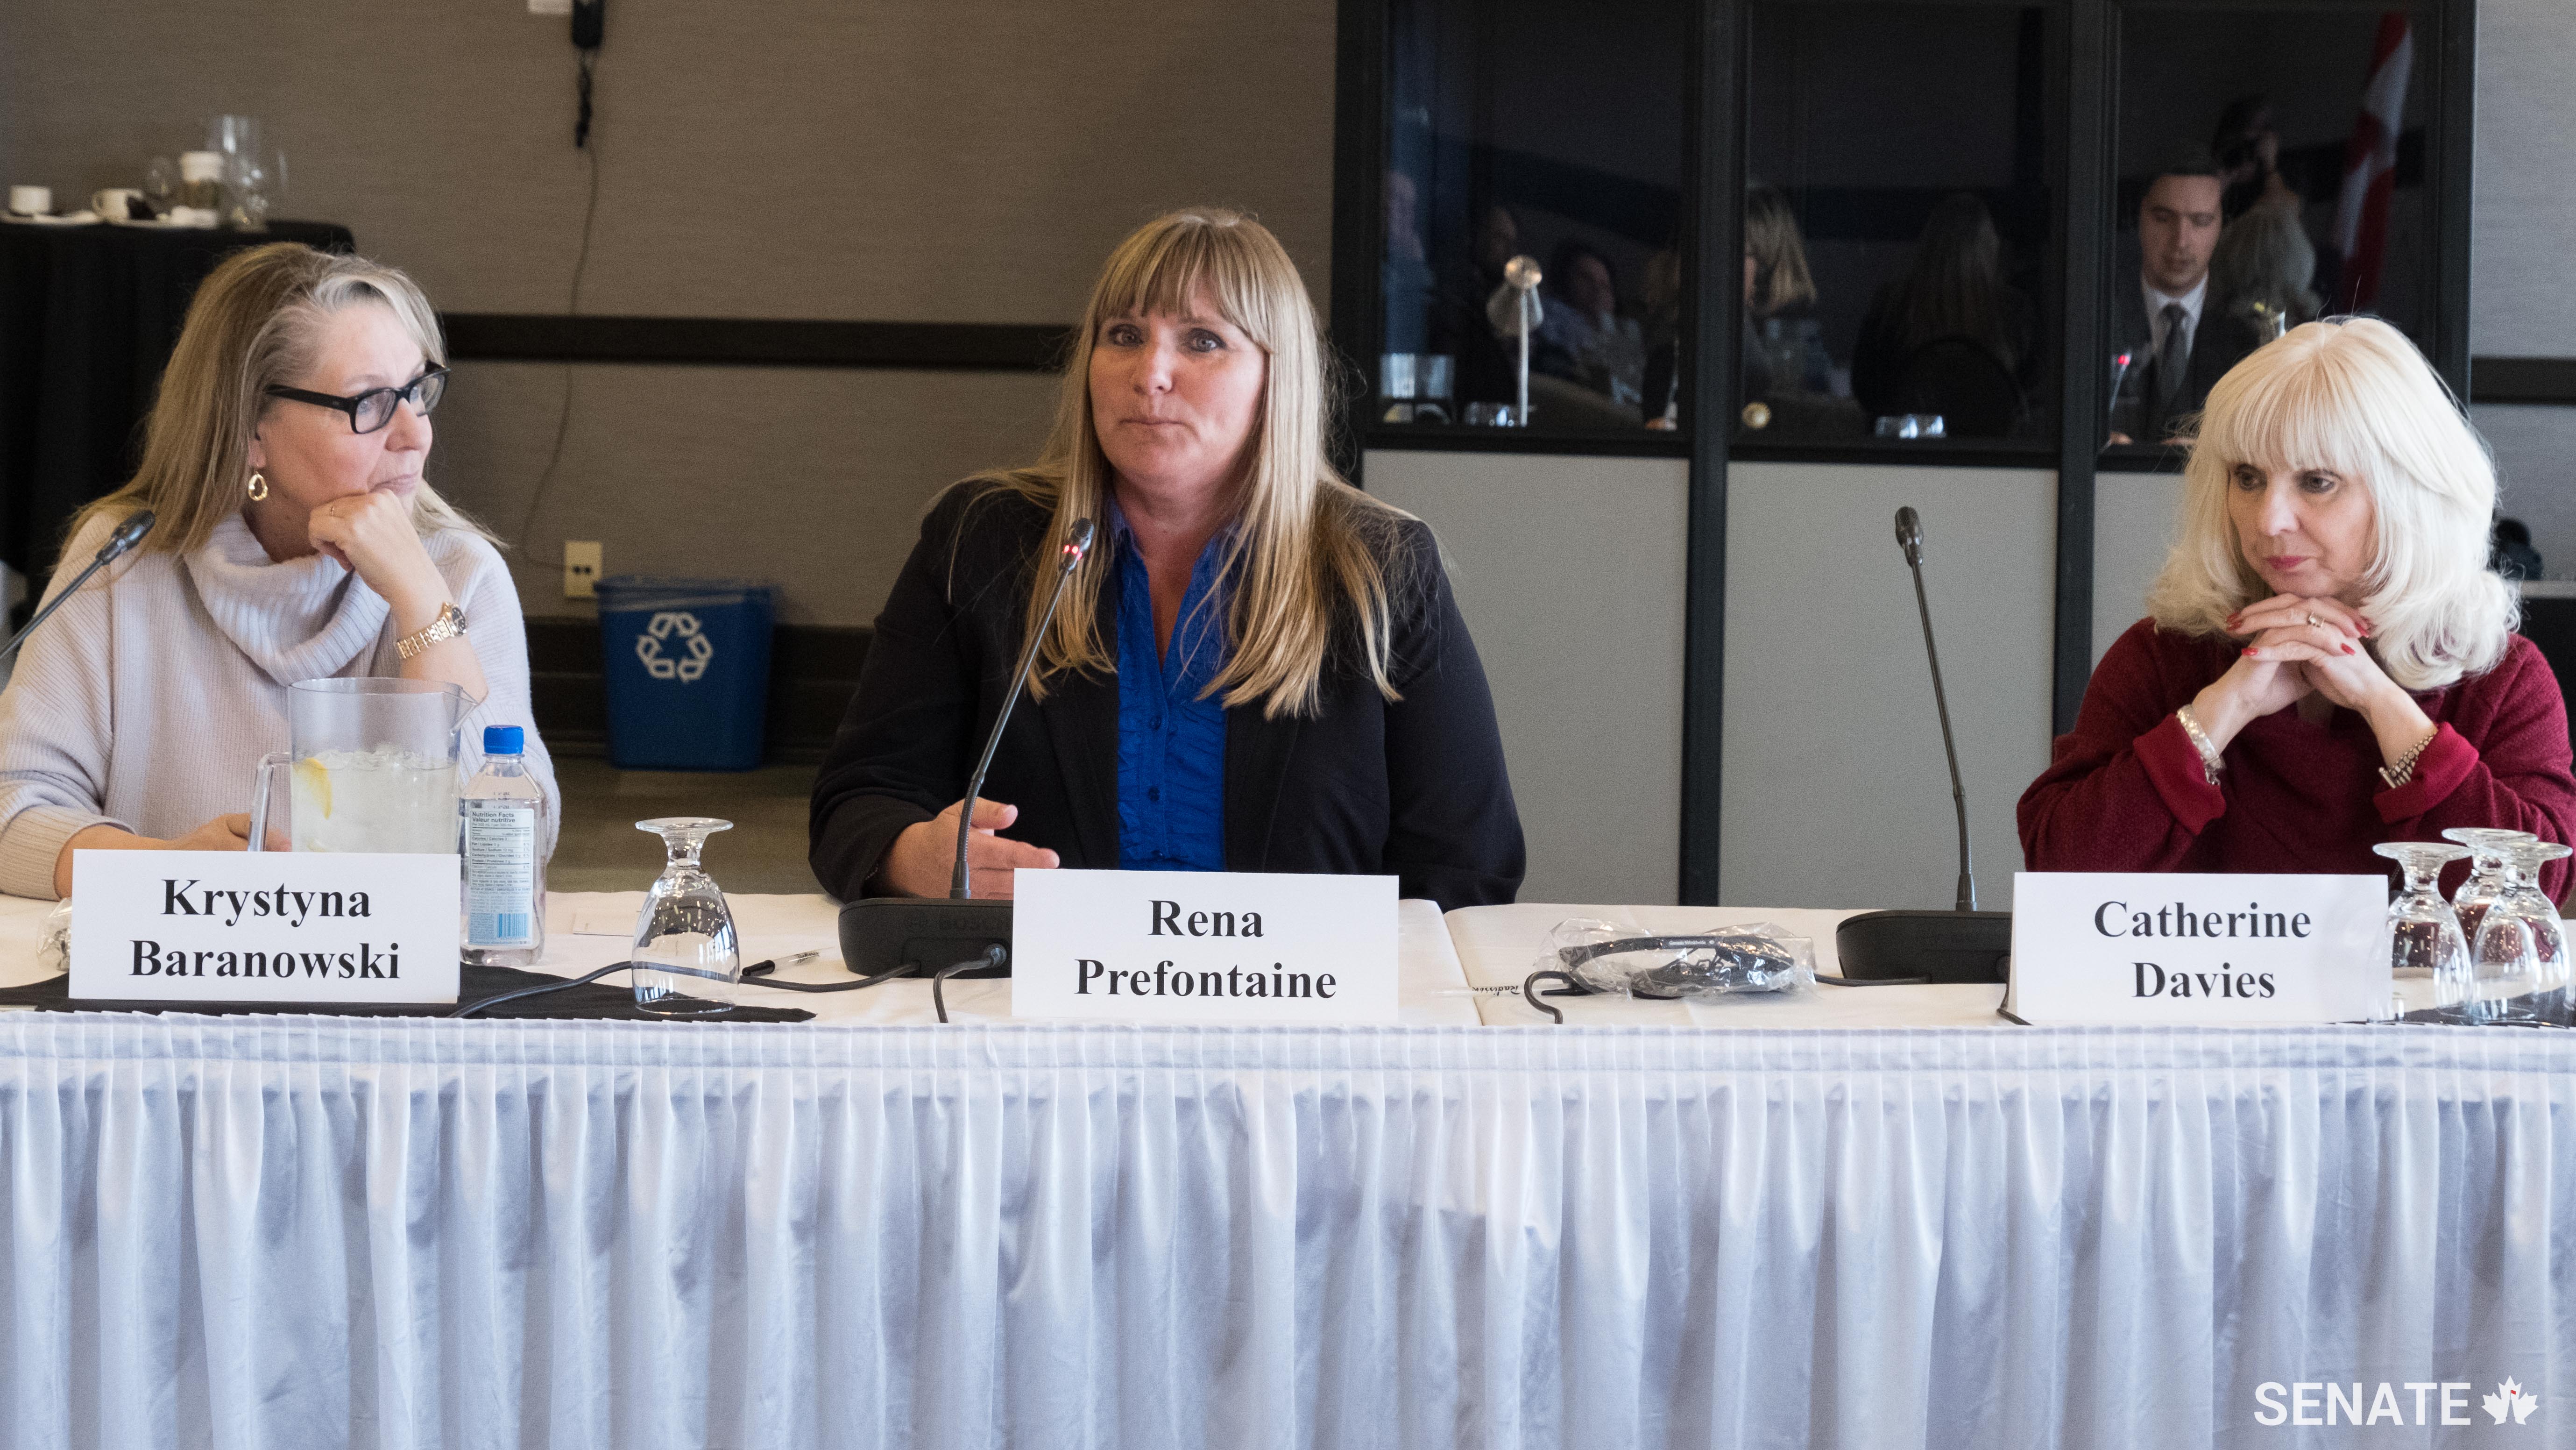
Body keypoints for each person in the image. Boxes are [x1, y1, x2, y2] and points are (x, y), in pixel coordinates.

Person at [809, 208, 1524, 909]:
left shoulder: (1383, 566)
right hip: (1030, 1006)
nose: (1150, 372)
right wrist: (911, 858)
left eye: (1203, 341)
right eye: (1123, 335)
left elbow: (1467, 863)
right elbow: (858, 799)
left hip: (1296, 1014)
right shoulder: (982, 538)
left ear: (1277, 380)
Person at [0, 242, 558, 900]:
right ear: (250, 431)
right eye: (371, 403)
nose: (416, 434)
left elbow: (503, 859)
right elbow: (14, 808)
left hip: (393, 988)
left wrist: (420, 601)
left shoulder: (459, 574)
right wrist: (163, 869)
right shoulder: (127, 560)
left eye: (418, 392)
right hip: (173, 980)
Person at [2020, 318, 2576, 896]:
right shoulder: (2164, 653)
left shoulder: (2501, 677)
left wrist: (2384, 708)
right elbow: (2059, 871)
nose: (2267, 520)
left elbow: (2536, 891)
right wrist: (2221, 709)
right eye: (2247, 477)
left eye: (2315, 481)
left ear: (2405, 494)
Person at [1850, 192, 2037, 437]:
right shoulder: (2014, 309)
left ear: (1928, 243)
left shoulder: (1893, 303)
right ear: (1990, 246)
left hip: (1902, 451)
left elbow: (1867, 391)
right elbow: (2035, 394)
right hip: (1996, 454)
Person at [2110, 152, 2255, 444]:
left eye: (2200, 222)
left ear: (2222, 227)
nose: (2181, 241)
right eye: (2164, 219)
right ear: (2138, 219)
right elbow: (2033, 418)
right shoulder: (2094, 314)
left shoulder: (2248, 332)